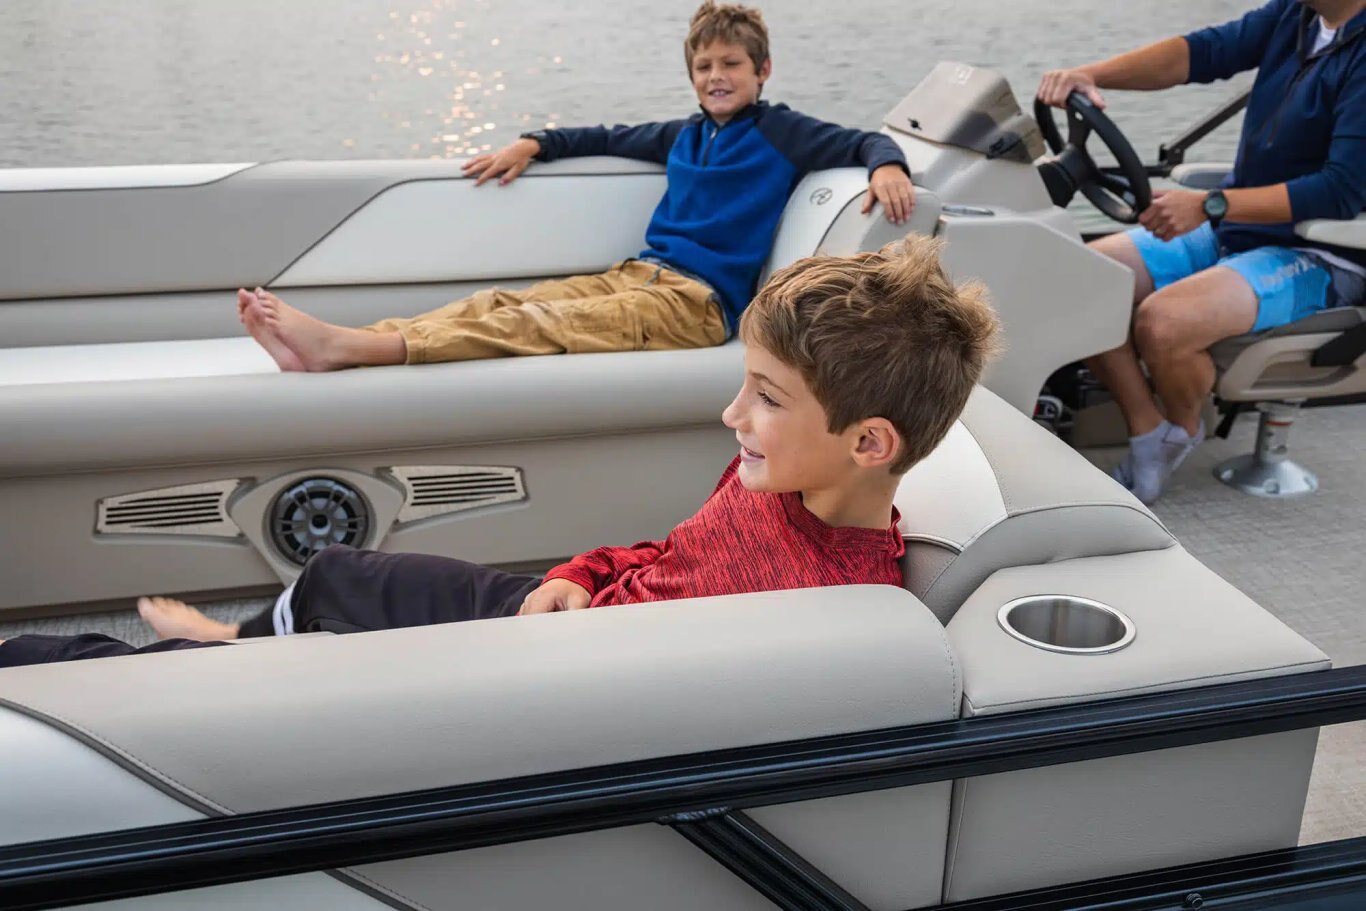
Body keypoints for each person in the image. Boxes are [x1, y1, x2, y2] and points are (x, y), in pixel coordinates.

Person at [0, 236, 999, 667]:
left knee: (107, 670)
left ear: (869, 441)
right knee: (341, 572)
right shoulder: (770, 479)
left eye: (766, 397)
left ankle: (199, 663)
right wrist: (576, 574)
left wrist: (561, 649)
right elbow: (662, 557)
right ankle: (240, 642)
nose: (730, 412)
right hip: (562, 614)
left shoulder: (833, 605)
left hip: (557, 672)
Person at [237, 1, 916, 373]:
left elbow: (860, 142)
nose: (717, 76)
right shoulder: (684, 135)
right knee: (501, 300)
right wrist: (535, 143)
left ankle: (349, 351)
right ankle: (341, 342)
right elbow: (604, 136)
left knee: (535, 325)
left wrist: (888, 166)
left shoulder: (782, 132)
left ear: (762, 70)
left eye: (731, 64)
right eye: (704, 66)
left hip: (696, 306)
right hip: (639, 275)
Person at [1038, 0, 1366, 504]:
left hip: (1319, 248)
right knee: (1081, 277)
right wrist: (1091, 76)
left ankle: (1183, 428)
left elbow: (1340, 191)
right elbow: (1200, 53)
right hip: (1237, 223)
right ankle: (1150, 433)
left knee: (1163, 323)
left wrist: (1212, 204)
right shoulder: (1294, 16)